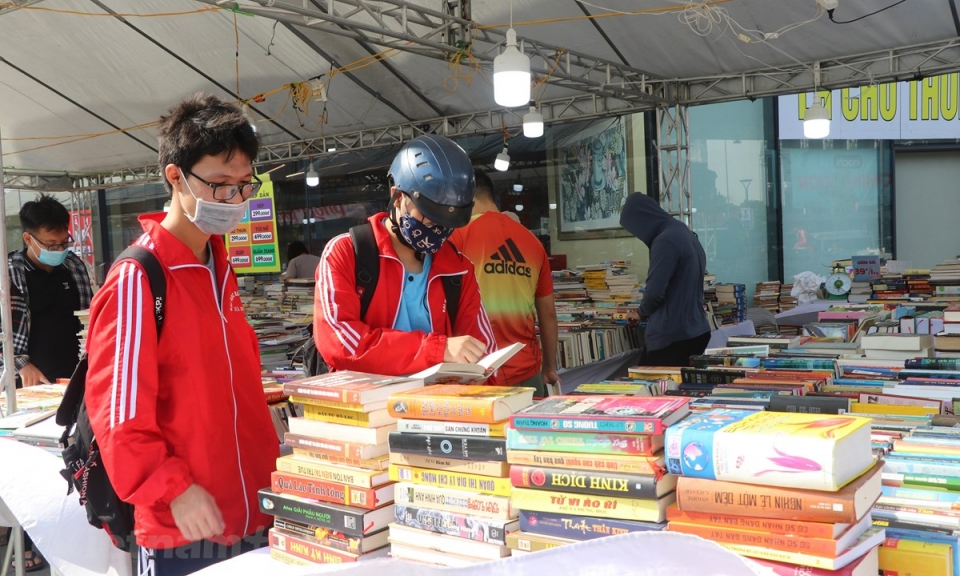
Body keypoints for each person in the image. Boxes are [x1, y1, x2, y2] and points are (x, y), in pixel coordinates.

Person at [84, 94, 278, 575]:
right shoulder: (138, 278)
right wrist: (174, 490)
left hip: (254, 512)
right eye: (218, 185)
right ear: (175, 176)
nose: (233, 200)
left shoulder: (219, 269)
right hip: (185, 526)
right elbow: (119, 416)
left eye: (242, 186)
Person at [314, 135, 497, 376]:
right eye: (427, 215)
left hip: (435, 407)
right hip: (366, 405)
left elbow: (484, 352)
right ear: (398, 196)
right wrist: (437, 350)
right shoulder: (345, 253)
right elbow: (339, 342)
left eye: (446, 223)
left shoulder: (458, 269)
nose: (436, 228)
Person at [5, 194, 92, 571]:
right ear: (29, 239)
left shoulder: (73, 266)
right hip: (29, 386)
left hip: (73, 378)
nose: (59, 250)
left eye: (63, 242)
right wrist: (22, 365)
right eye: (50, 244)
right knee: (31, 468)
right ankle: (25, 539)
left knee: (73, 457)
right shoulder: (8, 272)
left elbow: (91, 318)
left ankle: (71, 535)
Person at [449, 170, 559, 396]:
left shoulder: (457, 237)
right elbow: (548, 313)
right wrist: (549, 366)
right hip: (527, 368)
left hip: (477, 370)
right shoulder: (532, 242)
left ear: (465, 198)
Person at [620, 192, 710, 367]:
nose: (637, 234)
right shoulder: (684, 232)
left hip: (673, 335)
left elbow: (655, 291)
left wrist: (640, 313)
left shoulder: (665, 240)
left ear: (643, 220)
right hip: (696, 329)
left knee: (649, 388)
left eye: (635, 228)